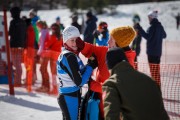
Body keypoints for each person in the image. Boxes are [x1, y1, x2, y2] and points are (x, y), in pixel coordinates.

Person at [76, 26, 136, 119]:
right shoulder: (107, 51)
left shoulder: (126, 64)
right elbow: (93, 49)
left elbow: (115, 89)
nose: (108, 42)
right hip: (98, 99)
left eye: (111, 40)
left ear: (118, 43)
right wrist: (82, 45)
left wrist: (93, 85)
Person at [102, 47, 169, 120]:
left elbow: (111, 116)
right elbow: (162, 112)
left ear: (110, 67)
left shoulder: (111, 84)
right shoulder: (150, 81)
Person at [57, 26, 98, 120]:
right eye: (72, 40)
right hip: (69, 97)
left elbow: (80, 72)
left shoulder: (72, 54)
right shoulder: (69, 56)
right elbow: (79, 82)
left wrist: (90, 64)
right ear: (65, 41)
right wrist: (90, 66)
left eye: (77, 40)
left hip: (70, 95)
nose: (75, 43)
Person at [135, 10, 167, 87]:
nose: (148, 19)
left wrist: (139, 28)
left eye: (149, 17)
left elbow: (147, 36)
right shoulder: (160, 26)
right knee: (157, 70)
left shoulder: (152, 27)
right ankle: (158, 86)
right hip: (158, 52)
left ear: (152, 17)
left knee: (153, 71)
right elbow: (164, 35)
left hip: (152, 53)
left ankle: (155, 87)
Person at [9, 6, 27, 87]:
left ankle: (16, 82)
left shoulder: (13, 22)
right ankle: (18, 80)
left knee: (15, 64)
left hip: (14, 45)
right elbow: (25, 35)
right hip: (21, 46)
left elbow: (10, 33)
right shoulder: (23, 22)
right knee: (18, 64)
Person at [45, 23, 63, 95]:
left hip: (52, 55)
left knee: (53, 73)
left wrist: (46, 42)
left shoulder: (52, 36)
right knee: (55, 72)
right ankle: (55, 88)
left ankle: (54, 89)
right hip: (58, 55)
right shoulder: (60, 36)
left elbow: (47, 45)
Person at [35, 21, 50, 93]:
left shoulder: (43, 32)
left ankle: (45, 86)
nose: (37, 27)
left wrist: (38, 53)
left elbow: (42, 44)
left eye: (37, 26)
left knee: (42, 69)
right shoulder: (44, 31)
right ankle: (45, 85)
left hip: (44, 53)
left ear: (40, 25)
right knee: (43, 69)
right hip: (44, 52)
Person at [24, 18, 35, 92]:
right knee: (28, 68)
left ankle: (29, 85)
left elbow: (27, 40)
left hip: (28, 50)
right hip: (30, 49)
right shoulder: (31, 30)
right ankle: (28, 84)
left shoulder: (28, 30)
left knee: (29, 68)